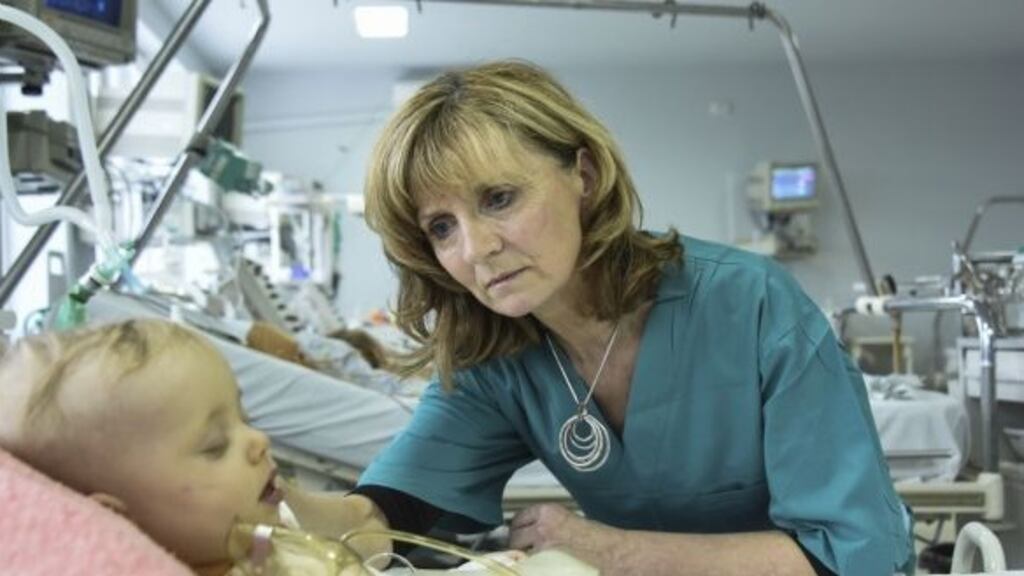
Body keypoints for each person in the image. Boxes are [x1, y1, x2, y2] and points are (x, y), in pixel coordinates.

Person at [347, 59, 915, 575]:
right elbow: (382, 516)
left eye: (499, 198)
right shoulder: (498, 358)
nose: (475, 249)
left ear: (584, 177)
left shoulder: (749, 305)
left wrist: (612, 550)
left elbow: (857, 558)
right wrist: (266, 494)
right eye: (441, 227)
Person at [0, 319, 391, 575]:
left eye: (245, 418)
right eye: (215, 446)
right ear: (115, 520)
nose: (258, 441)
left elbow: (374, 541)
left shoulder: (259, 541)